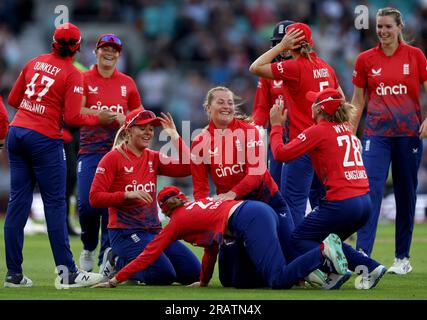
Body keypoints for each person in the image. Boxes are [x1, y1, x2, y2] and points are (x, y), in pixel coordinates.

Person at [4, 22, 114, 288]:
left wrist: (38, 109)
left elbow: (14, 100)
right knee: (56, 204)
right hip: (44, 139)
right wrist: (98, 117)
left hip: (17, 132)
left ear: (53, 42)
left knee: (18, 202)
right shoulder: (73, 74)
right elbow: (75, 117)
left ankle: (14, 275)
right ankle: (68, 274)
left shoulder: (34, 62)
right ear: (77, 47)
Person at [92, 185, 348, 289]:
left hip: (248, 219)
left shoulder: (177, 222)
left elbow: (149, 254)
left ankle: (321, 253)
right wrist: (203, 283)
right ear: (181, 198)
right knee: (254, 276)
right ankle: (313, 269)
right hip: (255, 212)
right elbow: (211, 249)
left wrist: (116, 280)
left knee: (276, 279)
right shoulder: (196, 205)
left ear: (165, 209)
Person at [270, 88, 387, 289]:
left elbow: (280, 154)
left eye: (313, 102)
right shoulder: (346, 128)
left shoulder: (319, 130)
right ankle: (369, 267)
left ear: (319, 109)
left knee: (299, 239)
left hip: (342, 202)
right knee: (330, 242)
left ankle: (334, 268)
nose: (310, 106)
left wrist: (276, 126)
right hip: (364, 202)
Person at [191, 86, 297, 288]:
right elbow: (200, 190)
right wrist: (206, 216)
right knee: (230, 280)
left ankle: (324, 255)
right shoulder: (200, 141)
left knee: (292, 259)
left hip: (269, 202)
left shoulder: (249, 132)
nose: (226, 106)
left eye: (230, 102)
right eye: (220, 102)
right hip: (235, 214)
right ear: (208, 108)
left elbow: (256, 174)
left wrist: (231, 194)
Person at [351, 7, 427, 274]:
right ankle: (363, 255)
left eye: (388, 27)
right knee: (369, 192)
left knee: (406, 195)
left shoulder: (415, 56)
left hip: (408, 135)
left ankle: (402, 258)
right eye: (379, 27)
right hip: (376, 135)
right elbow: (358, 100)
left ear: (399, 28)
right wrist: (349, 130)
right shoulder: (365, 60)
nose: (383, 31)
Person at [89, 109, 201, 285]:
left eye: (151, 128)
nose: (148, 132)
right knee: (163, 275)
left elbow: (189, 168)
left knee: (194, 273)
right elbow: (94, 198)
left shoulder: (153, 157)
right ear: (129, 131)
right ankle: (119, 262)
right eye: (142, 128)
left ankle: (136, 264)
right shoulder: (112, 159)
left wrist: (174, 136)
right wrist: (126, 194)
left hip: (153, 231)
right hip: (126, 233)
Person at [249, 22, 343, 227]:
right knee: (325, 200)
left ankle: (295, 253)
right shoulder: (326, 67)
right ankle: (328, 248)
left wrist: (281, 47)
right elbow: (341, 100)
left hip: (299, 142)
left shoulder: (292, 67)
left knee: (291, 203)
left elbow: (254, 67)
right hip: (324, 142)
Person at [77, 33, 143, 272]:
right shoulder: (83, 78)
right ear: (95, 52)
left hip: (119, 151)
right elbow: (75, 110)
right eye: (105, 48)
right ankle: (88, 245)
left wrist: (126, 118)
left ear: (119, 54)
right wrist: (100, 115)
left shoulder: (127, 82)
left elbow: (140, 113)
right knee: (87, 204)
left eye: (114, 49)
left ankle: (107, 255)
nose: (109, 53)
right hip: (91, 150)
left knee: (111, 206)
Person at [252, 20, 294, 187]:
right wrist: (253, 133)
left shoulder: (309, 68)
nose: (282, 48)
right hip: (279, 137)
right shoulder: (268, 72)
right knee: (275, 184)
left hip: (305, 136)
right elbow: (261, 109)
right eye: (278, 43)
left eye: (285, 43)